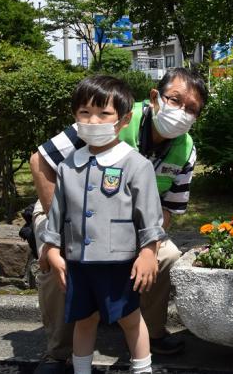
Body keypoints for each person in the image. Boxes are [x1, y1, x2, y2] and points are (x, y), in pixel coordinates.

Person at [30, 68, 207, 374]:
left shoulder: (185, 149)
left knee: (166, 256)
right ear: (155, 98)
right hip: (63, 208)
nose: (181, 112)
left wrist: (145, 248)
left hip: (129, 223)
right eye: (175, 100)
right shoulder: (103, 111)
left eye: (191, 109)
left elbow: (166, 211)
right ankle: (59, 352)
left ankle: (149, 334)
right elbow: (40, 161)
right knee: (55, 261)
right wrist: (60, 233)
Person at [41, 75, 166, 374]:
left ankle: (142, 370)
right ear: (75, 116)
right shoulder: (68, 164)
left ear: (123, 120)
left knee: (130, 319)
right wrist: (52, 249)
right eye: (84, 112)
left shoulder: (136, 164)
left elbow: (149, 216)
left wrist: (148, 252)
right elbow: (57, 214)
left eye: (104, 113)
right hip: (78, 263)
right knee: (83, 320)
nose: (93, 120)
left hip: (119, 263)